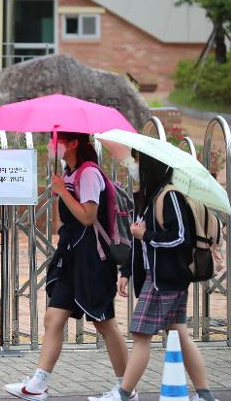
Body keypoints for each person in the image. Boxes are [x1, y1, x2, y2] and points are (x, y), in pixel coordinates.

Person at [5, 132, 133, 401]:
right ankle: (39, 383)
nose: (55, 146)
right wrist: (62, 187)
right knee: (54, 317)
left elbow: (88, 216)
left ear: (74, 144)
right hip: (71, 256)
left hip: (93, 260)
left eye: (59, 141)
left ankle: (126, 388)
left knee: (104, 322)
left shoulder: (88, 174)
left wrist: (63, 191)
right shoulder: (70, 172)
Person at [93, 152, 218, 401]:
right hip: (162, 277)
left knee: (140, 335)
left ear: (150, 165)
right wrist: (127, 271)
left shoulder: (169, 196)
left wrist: (145, 236)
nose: (131, 166)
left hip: (164, 279)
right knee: (178, 332)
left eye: (136, 161)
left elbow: (180, 238)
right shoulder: (150, 198)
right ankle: (205, 395)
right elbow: (139, 244)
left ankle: (124, 393)